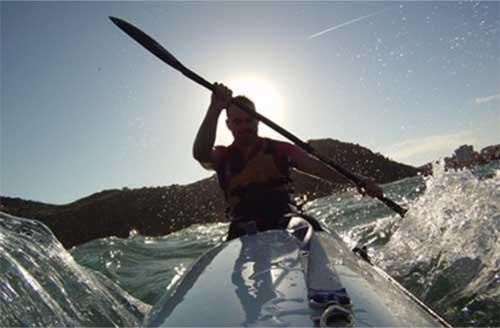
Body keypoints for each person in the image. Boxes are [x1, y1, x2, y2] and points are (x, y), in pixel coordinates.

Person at [193, 82, 383, 239]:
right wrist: (215, 108)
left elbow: (318, 168)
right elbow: (200, 153)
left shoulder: (280, 149)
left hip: (285, 217)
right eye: (237, 122)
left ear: (258, 120)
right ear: (228, 125)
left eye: (249, 120)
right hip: (243, 226)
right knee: (243, 230)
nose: (244, 126)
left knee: (306, 225)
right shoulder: (222, 155)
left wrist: (359, 180)